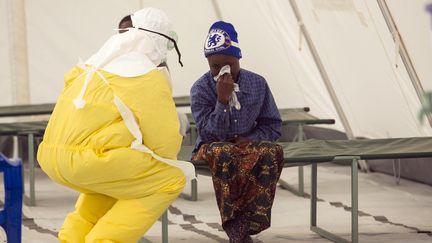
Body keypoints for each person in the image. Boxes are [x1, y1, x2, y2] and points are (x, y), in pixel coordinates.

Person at [37, 8, 194, 242]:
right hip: (90, 160)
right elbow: (166, 144)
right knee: (171, 178)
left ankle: (71, 238)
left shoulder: (90, 67)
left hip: (51, 156)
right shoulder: (144, 75)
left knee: (115, 179)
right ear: (159, 41)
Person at [190, 21, 284, 243]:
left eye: (228, 64)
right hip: (211, 147)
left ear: (239, 59)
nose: (222, 70)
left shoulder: (257, 83)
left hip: (245, 145)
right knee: (223, 151)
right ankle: (235, 226)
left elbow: (272, 124)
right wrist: (222, 100)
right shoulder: (201, 89)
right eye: (215, 66)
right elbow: (210, 135)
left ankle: (252, 220)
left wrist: (250, 139)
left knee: (272, 151)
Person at [118, 14, 189, 137]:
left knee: (179, 120)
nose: (128, 38)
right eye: (123, 34)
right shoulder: (113, 61)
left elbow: (161, 98)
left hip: (150, 115)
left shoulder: (156, 61)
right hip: (123, 115)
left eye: (130, 32)